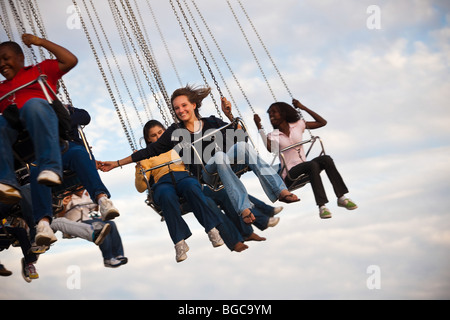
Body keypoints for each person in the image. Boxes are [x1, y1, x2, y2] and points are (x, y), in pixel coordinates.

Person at [100, 85, 299, 226]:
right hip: (208, 173)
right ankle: (243, 208)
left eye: (184, 105)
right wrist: (116, 163)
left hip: (229, 164)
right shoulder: (174, 133)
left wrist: (229, 116)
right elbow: (149, 151)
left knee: (244, 149)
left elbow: (240, 137)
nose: (180, 110)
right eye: (177, 108)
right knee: (219, 157)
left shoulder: (212, 122)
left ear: (194, 105)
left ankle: (279, 190)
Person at [0, 34, 78, 247]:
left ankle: (50, 166)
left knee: (33, 105)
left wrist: (40, 43)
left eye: (6, 58)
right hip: (17, 130)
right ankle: (6, 181)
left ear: (20, 57)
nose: (2, 64)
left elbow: (70, 60)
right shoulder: (2, 89)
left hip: (42, 117)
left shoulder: (39, 71)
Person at [132, 119, 225, 262]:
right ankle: (179, 242)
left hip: (183, 176)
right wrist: (139, 167)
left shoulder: (177, 146)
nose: (158, 137)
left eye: (160, 133)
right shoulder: (147, 156)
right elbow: (141, 187)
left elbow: (194, 158)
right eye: (153, 136)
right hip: (162, 183)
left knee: (192, 188)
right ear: (148, 140)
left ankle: (212, 229)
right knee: (165, 196)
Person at [254, 99, 358, 219]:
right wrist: (259, 127)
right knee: (311, 165)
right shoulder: (274, 135)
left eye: (274, 112)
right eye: (269, 113)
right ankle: (322, 206)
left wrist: (302, 107)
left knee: (326, 159)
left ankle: (341, 197)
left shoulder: (298, 125)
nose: (271, 115)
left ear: (283, 113)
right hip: (289, 175)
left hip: (306, 168)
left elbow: (322, 122)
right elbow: (270, 148)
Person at [59, 189, 127, 268]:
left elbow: (94, 209)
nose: (81, 189)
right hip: (77, 222)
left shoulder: (85, 196)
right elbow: (60, 215)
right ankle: (108, 258)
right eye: (78, 188)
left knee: (111, 224)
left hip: (87, 219)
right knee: (102, 227)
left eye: (82, 187)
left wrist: (96, 200)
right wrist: (64, 202)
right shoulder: (70, 197)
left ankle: (118, 254)